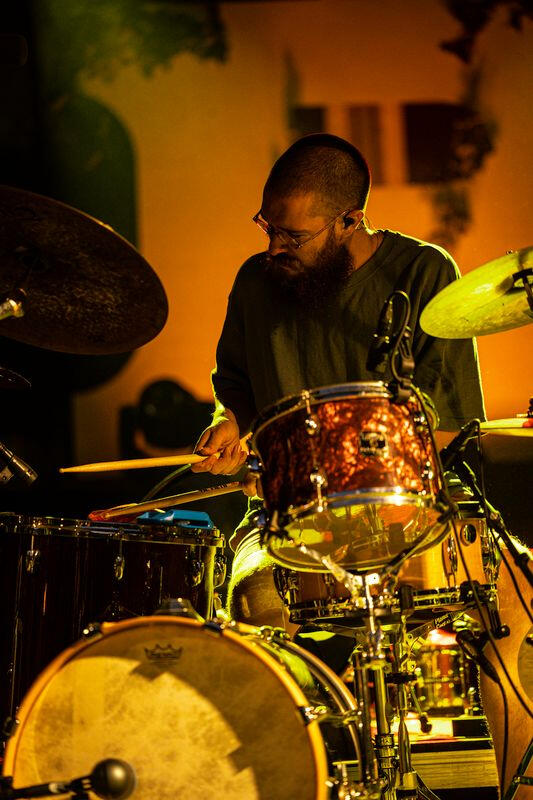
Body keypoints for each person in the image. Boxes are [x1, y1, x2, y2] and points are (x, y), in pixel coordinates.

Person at [192, 133, 529, 795]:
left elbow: (450, 424)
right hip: (294, 517)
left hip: (414, 507)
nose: (273, 246)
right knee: (252, 603)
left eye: (292, 235)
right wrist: (227, 425)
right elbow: (235, 389)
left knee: (508, 614)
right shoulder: (255, 283)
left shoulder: (422, 273)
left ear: (350, 220)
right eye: (267, 227)